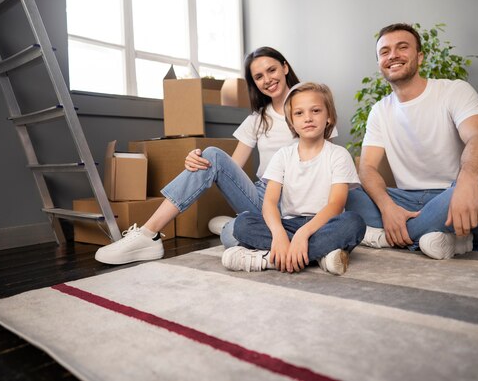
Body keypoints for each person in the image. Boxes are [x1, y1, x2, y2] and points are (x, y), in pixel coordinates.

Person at [95, 47, 336, 265]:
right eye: (258, 76)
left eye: (271, 70)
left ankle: (241, 230)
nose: (267, 79)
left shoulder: (315, 109)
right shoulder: (257, 119)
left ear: (284, 67)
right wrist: (198, 161)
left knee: (230, 235)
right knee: (211, 157)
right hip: (265, 198)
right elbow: (230, 167)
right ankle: (148, 234)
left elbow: (327, 162)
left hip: (303, 198)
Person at [346, 23, 478, 260]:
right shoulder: (379, 111)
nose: (393, 56)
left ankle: (387, 238)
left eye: (402, 47)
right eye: (385, 51)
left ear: (419, 57)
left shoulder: (454, 91)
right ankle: (442, 238)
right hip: (407, 200)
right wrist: (388, 208)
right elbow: (368, 168)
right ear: (380, 62)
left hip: (454, 194)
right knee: (349, 194)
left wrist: (467, 181)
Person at [222, 82, 365, 275]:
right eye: (299, 113)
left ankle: (267, 260)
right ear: (291, 122)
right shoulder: (282, 155)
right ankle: (319, 256)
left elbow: (336, 205)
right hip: (289, 223)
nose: (308, 118)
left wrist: (303, 234)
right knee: (242, 224)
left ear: (329, 116)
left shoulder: (339, 155)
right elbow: (270, 203)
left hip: (324, 224)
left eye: (315, 110)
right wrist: (279, 234)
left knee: (354, 223)